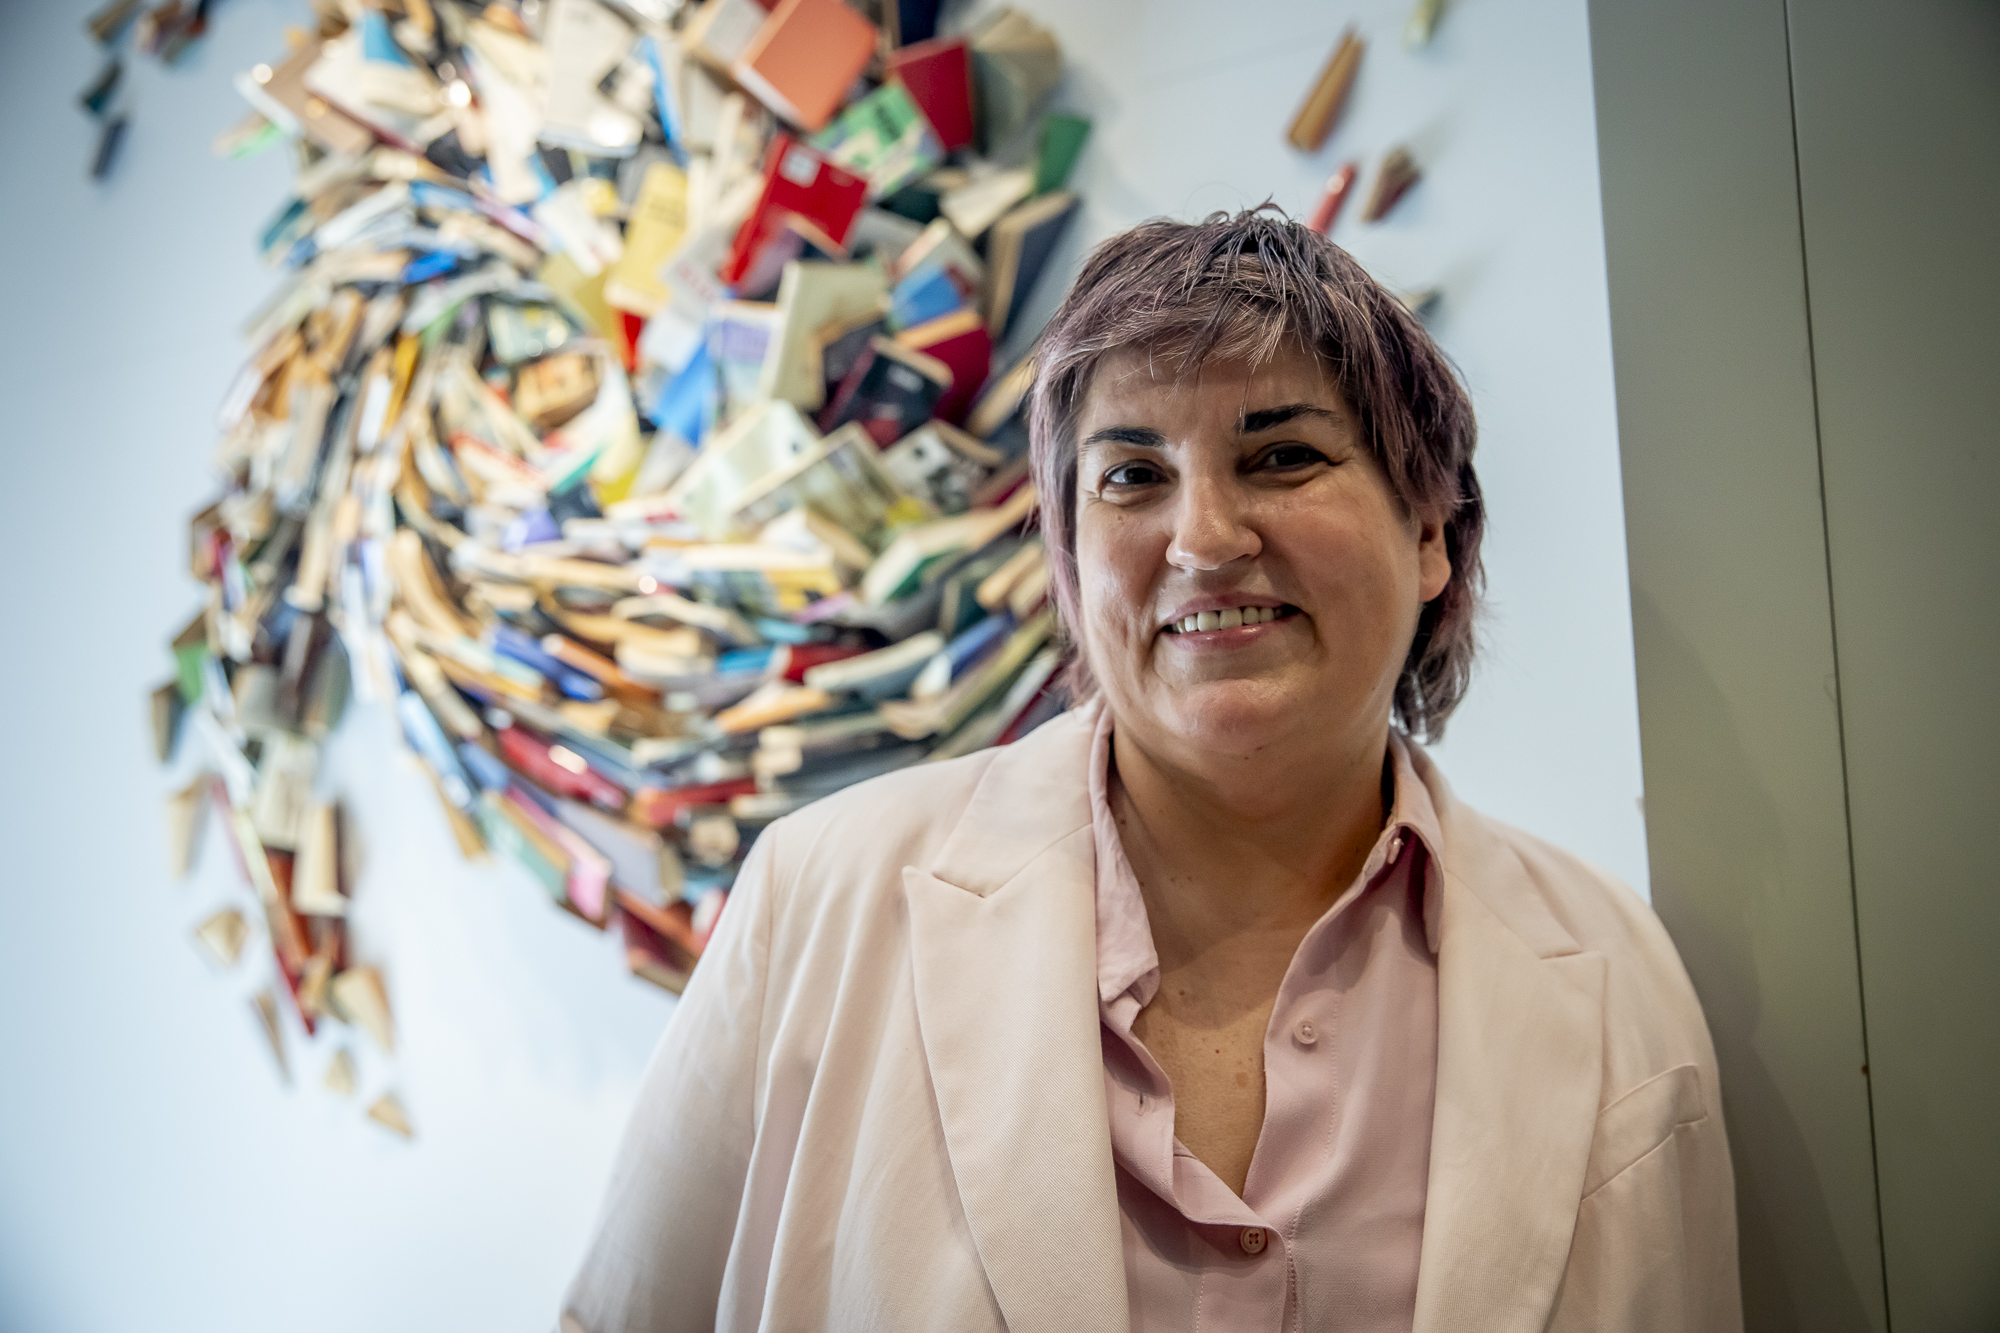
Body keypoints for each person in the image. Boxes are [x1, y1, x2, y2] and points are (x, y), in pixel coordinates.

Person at [561, 209, 1741, 1333]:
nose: (1203, 538)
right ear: (1070, 560)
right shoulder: (818, 894)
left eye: (1281, 455)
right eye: (1130, 476)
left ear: (1428, 532)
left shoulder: (1611, 972)